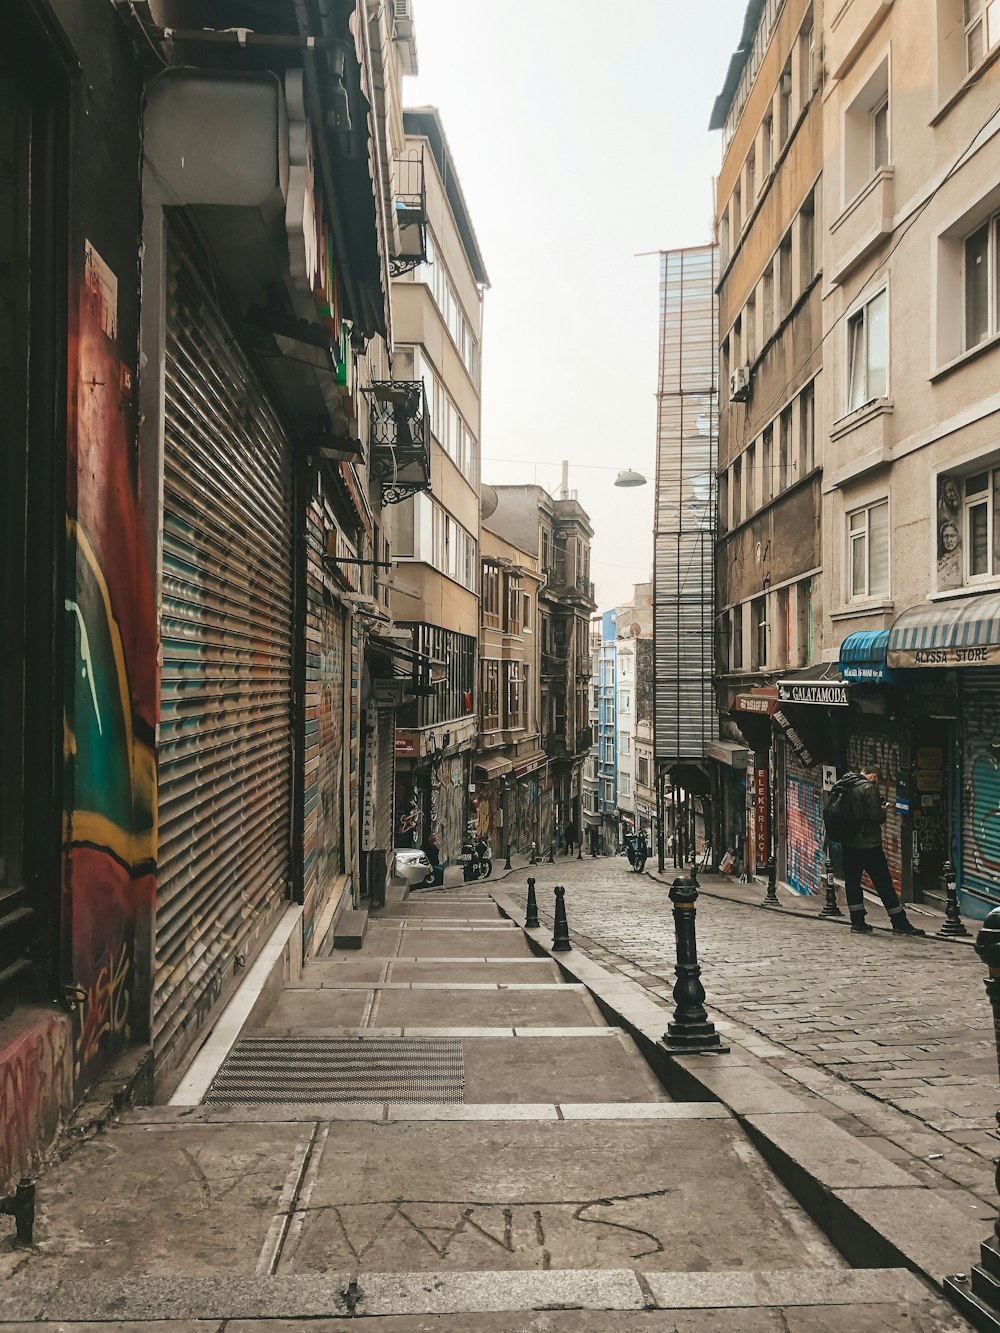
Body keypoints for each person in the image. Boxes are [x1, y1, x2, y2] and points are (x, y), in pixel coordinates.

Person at [841, 765, 924, 935]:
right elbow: (876, 817)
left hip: (848, 843)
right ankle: (899, 922)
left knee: (852, 882)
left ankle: (857, 922)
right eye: (877, 780)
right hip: (869, 844)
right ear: (872, 776)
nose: (877, 784)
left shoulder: (844, 783)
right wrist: (883, 809)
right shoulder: (867, 788)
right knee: (883, 882)